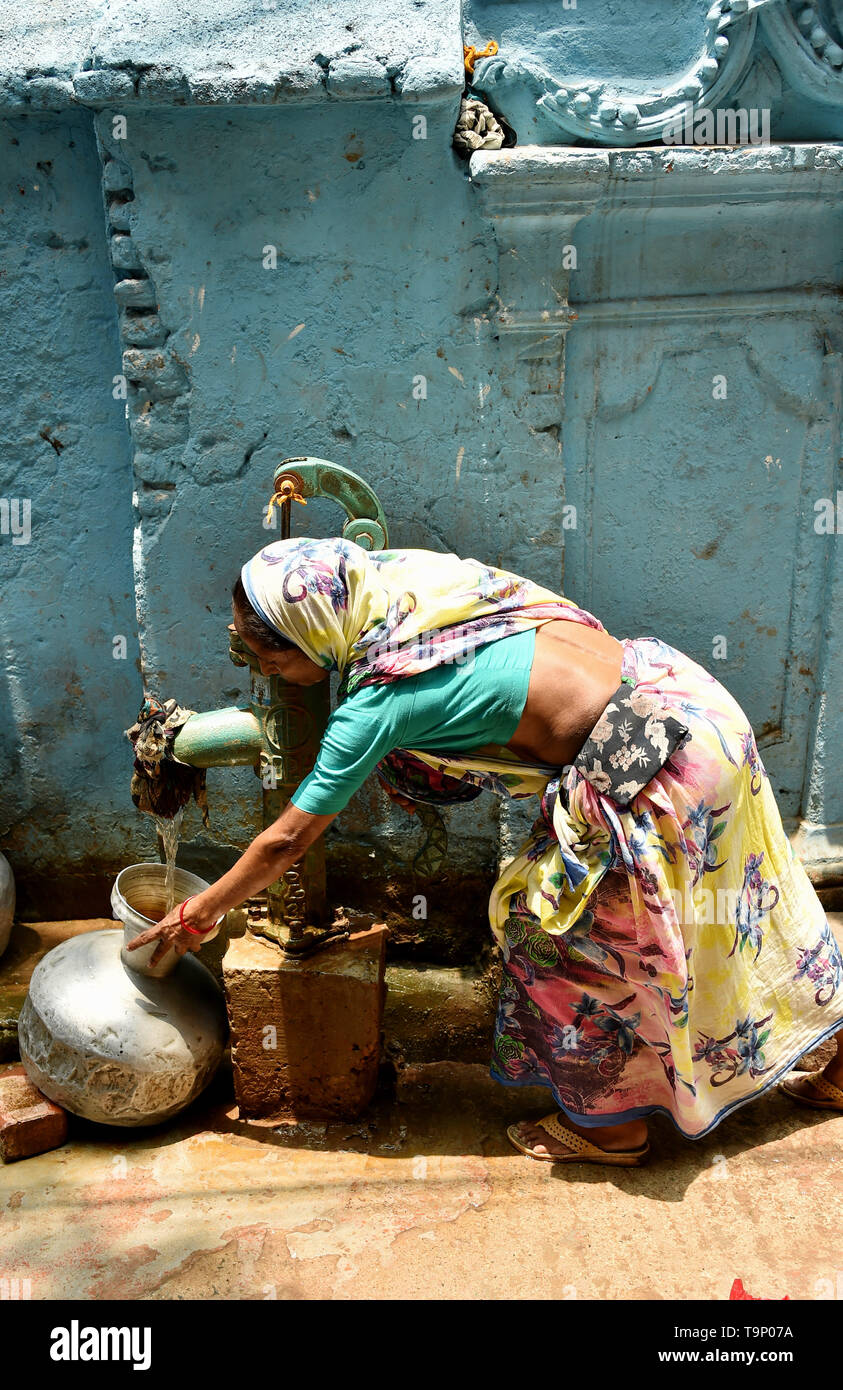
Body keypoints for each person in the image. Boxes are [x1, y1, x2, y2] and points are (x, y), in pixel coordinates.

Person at [128, 536, 843, 1164]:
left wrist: (198, 913)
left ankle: (608, 1131)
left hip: (654, 777)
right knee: (735, 906)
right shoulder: (406, 586)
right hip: (691, 708)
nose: (267, 678)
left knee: (552, 940)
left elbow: (288, 837)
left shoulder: (380, 699)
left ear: (312, 637)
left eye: (269, 661)